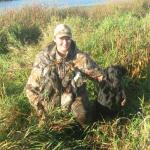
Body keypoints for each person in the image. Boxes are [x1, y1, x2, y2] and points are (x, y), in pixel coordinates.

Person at [25, 24, 105, 126]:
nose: (65, 42)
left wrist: (118, 91)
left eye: (68, 38)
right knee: (47, 128)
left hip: (75, 98)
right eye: (61, 38)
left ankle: (87, 121)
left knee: (83, 117)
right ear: (54, 39)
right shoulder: (43, 59)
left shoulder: (79, 57)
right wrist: (40, 111)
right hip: (50, 100)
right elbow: (30, 88)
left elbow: (99, 75)